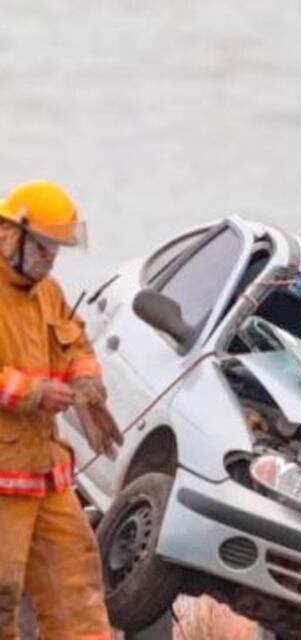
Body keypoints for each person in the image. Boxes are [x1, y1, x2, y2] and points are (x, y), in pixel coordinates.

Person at [0, 180, 120, 639]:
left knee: (77, 586)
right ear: (13, 234)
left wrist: (85, 380)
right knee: (3, 592)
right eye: (46, 246)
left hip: (45, 472)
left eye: (57, 249)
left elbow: (74, 342)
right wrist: (35, 393)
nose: (51, 257)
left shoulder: (47, 291)